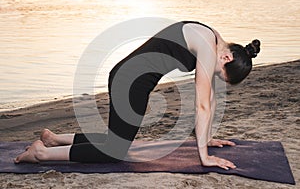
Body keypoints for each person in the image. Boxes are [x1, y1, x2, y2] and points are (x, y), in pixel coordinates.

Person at [14, 21, 260, 170]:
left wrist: (206, 139)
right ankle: (41, 153)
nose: (214, 75)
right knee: (115, 151)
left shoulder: (212, 37)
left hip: (128, 78)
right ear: (226, 58)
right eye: (220, 73)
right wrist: (204, 157)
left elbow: (212, 97)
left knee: (117, 139)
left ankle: (56, 139)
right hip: (130, 83)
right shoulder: (208, 47)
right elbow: (203, 105)